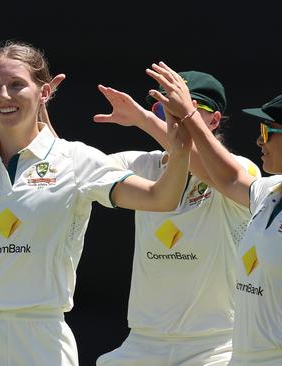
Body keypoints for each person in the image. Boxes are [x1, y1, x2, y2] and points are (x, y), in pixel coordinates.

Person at [0, 41, 192, 366]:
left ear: (44, 92)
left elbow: (162, 198)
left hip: (40, 334)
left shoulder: (75, 160)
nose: (4, 95)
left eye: (17, 84)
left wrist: (182, 146)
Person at [147, 62, 282, 365]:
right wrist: (175, 118)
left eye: (268, 131)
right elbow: (225, 175)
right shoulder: (269, 191)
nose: (260, 141)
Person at [92, 71, 260, 366]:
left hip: (216, 347)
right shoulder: (138, 163)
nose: (171, 117)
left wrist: (146, 120)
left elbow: (215, 169)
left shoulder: (242, 171)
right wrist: (35, 110)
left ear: (214, 120)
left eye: (184, 108)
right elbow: (64, 171)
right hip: (143, 342)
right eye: (161, 107)